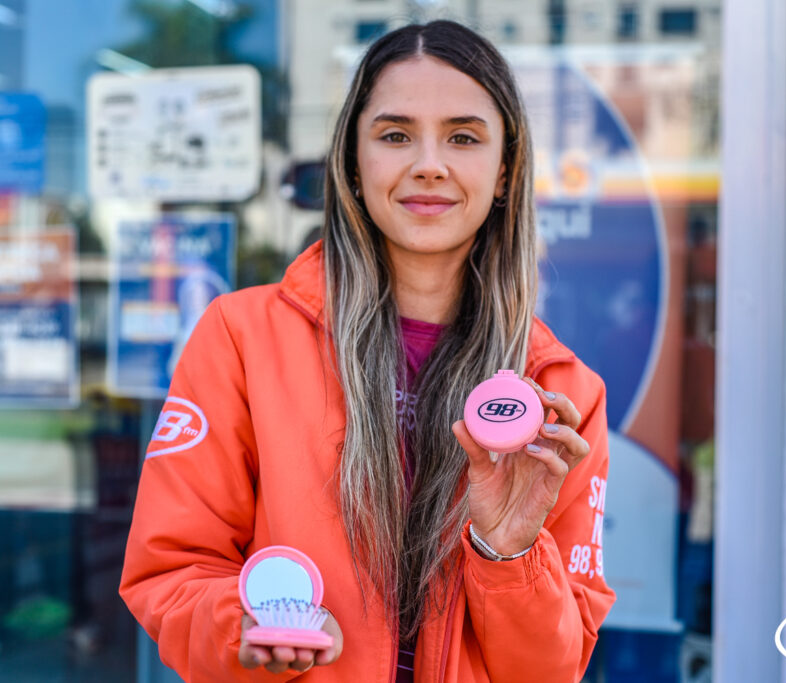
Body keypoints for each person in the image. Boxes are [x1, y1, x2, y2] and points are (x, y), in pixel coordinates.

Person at [120, 19, 615, 682]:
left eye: (463, 137)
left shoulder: (561, 394)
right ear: (353, 164)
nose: (429, 164)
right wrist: (252, 625)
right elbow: (172, 570)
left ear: (505, 172)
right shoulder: (243, 338)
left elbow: (549, 669)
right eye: (395, 135)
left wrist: (508, 552)